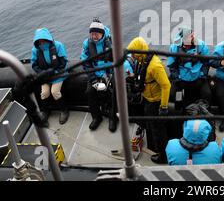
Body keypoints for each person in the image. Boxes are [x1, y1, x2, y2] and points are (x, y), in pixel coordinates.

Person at [127, 36, 171, 164]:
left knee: (158, 130)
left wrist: (163, 107)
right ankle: (153, 145)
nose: (132, 56)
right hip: (147, 98)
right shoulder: (142, 60)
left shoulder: (155, 65)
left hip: (155, 102)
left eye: (134, 53)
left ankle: (163, 156)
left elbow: (166, 85)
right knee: (150, 125)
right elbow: (142, 76)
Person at [80, 18, 117, 132]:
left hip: (109, 73)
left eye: (96, 33)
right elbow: (85, 63)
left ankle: (113, 118)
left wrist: (109, 77)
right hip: (95, 74)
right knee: (89, 92)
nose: (94, 36)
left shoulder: (110, 42)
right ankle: (96, 117)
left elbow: (117, 59)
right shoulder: (87, 44)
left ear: (102, 33)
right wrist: (94, 80)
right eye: (92, 33)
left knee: (112, 93)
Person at [31, 28, 69, 124]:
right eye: (40, 42)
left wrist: (55, 71)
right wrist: (42, 73)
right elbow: (34, 65)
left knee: (55, 92)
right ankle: (45, 111)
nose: (42, 43)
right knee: (44, 93)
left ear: (48, 39)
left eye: (44, 41)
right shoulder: (35, 50)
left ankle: (64, 110)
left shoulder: (58, 46)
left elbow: (63, 61)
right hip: (45, 76)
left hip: (58, 73)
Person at [166, 26, 211, 108]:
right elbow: (172, 65)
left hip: (197, 77)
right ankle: (180, 114)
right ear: (183, 39)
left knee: (207, 94)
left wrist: (202, 75)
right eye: (189, 36)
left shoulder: (200, 45)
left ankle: (202, 112)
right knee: (173, 94)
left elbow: (206, 62)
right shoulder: (175, 47)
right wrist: (177, 77)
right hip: (181, 78)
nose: (192, 38)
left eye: (192, 35)